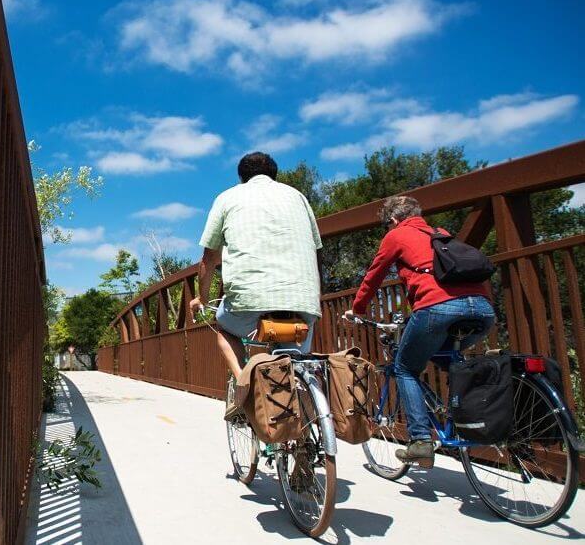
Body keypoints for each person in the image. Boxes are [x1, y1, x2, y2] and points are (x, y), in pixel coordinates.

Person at [347, 196, 495, 468]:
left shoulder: (397, 235)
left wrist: (358, 309)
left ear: (392, 220)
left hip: (436, 308)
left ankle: (420, 441)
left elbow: (374, 275)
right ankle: (467, 416)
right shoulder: (441, 234)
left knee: (405, 368)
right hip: (483, 309)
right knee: (446, 357)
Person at [189, 152, 323, 417]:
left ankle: (243, 384)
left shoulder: (228, 198)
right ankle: (308, 429)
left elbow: (210, 257)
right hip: (303, 299)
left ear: (241, 178)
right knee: (293, 362)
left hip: (250, 301)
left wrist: (201, 298)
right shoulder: (298, 197)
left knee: (224, 328)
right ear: (274, 175)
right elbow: (317, 250)